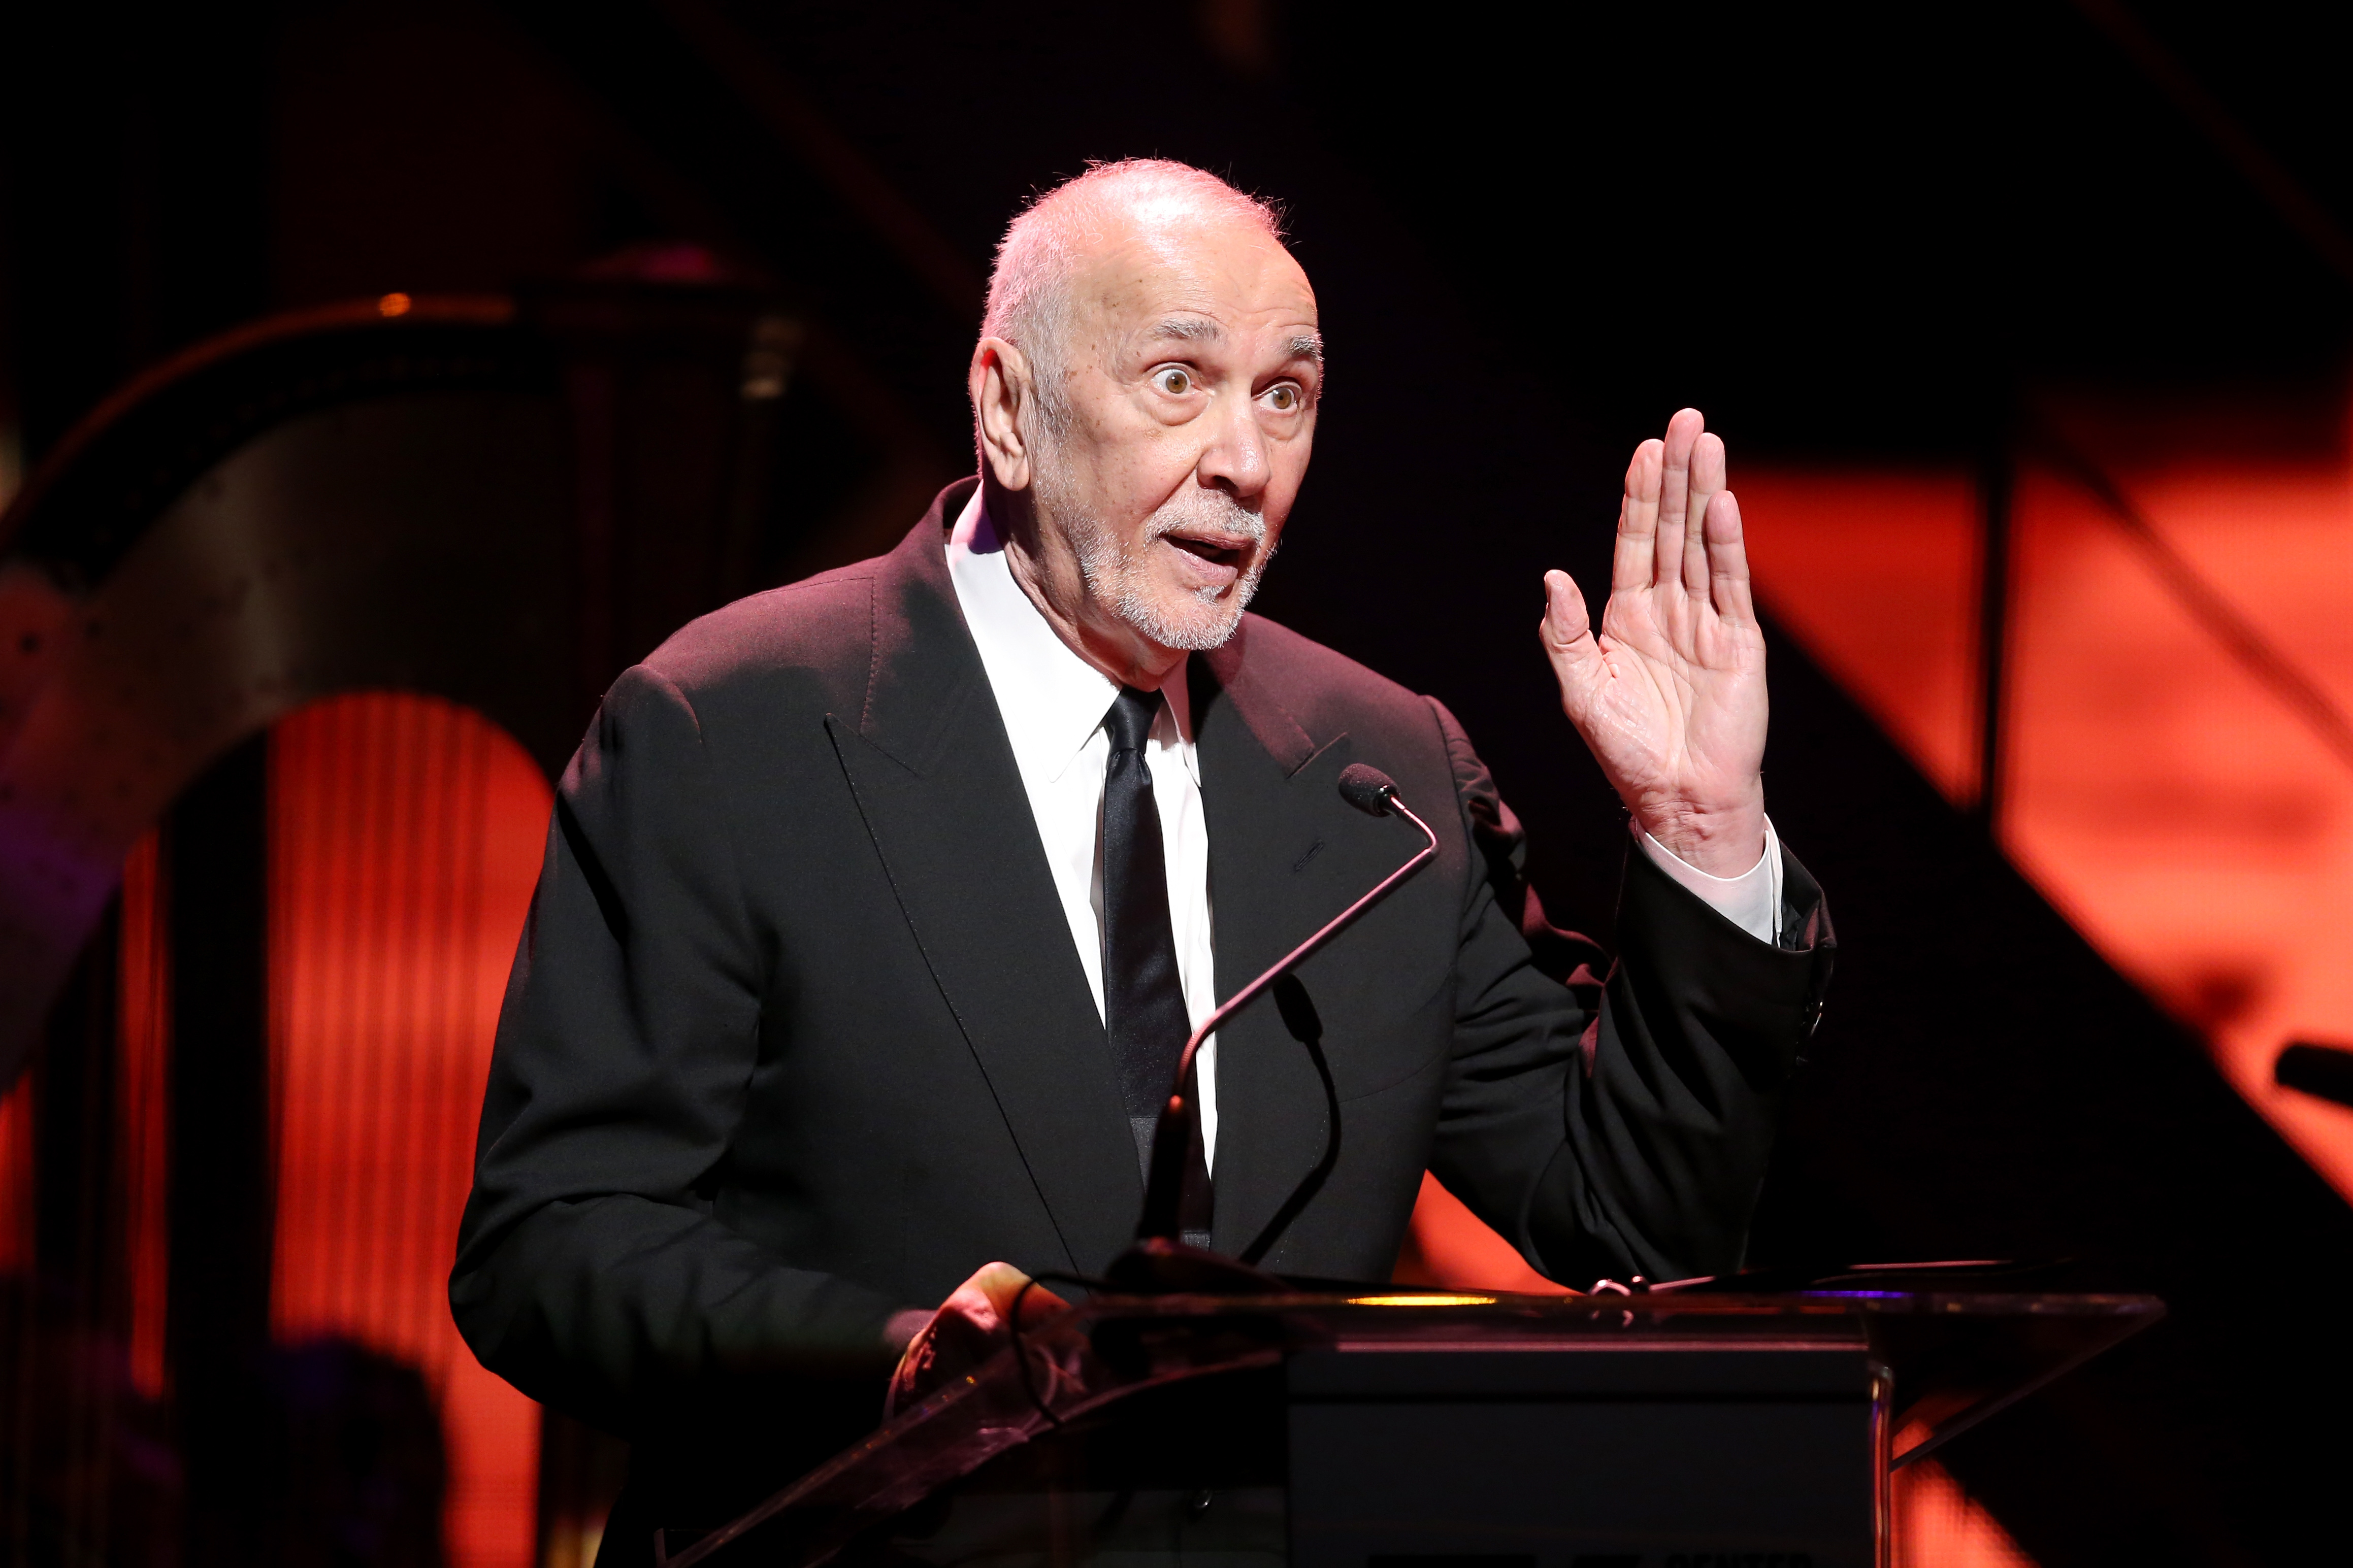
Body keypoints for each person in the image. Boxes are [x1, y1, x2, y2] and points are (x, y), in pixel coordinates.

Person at [451, 159, 1833, 1544]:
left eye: (1283, 396)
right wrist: (903, 1357)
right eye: (1178, 380)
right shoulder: (732, 723)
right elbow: (554, 1243)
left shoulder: (1380, 772)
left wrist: (1701, 830)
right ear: (1007, 409)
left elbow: (1631, 1228)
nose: (1243, 459)